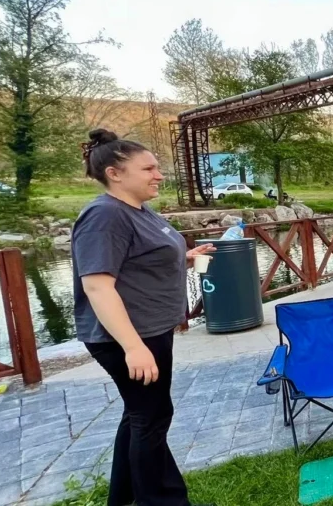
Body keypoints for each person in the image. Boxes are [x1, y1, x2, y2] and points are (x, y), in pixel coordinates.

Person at [71, 129, 216, 506]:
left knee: (140, 414)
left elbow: (137, 258)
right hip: (126, 337)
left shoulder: (138, 209)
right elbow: (99, 287)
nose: (159, 174)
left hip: (151, 330)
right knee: (151, 416)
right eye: (149, 168)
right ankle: (164, 500)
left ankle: (123, 498)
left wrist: (184, 257)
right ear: (115, 173)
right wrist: (133, 347)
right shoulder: (104, 216)